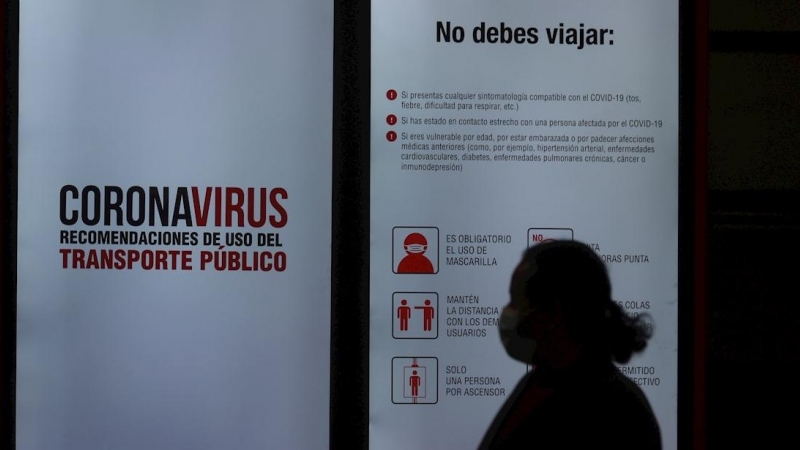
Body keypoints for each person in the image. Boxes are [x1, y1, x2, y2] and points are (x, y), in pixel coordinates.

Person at [479, 240, 661, 449]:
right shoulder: (537, 381)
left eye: (515, 300)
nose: (507, 312)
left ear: (553, 312)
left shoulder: (618, 412)